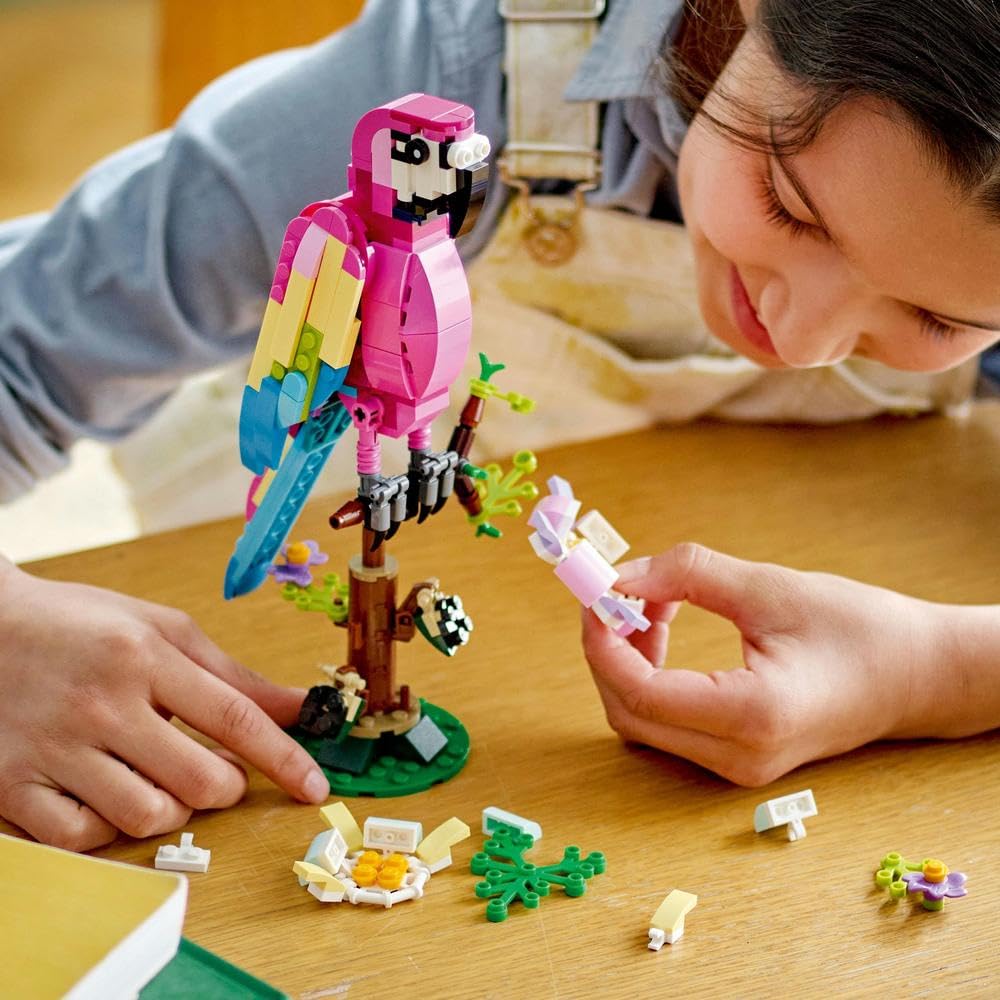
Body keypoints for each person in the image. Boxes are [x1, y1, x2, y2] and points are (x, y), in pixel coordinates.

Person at [0, 0, 996, 850]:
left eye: (938, 317)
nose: (799, 338)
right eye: (789, 207)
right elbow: (26, 340)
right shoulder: (459, 77)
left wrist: (934, 666)